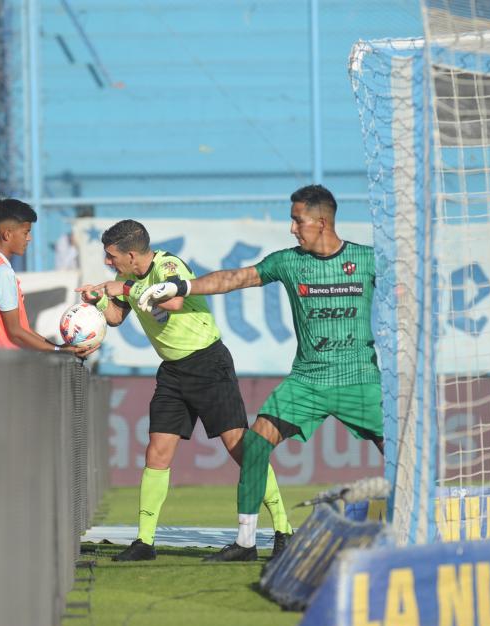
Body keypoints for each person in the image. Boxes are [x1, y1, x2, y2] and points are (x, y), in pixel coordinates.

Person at [139, 185, 385, 561]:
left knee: (401, 452)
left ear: (321, 222)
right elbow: (234, 278)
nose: (292, 228)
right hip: (307, 382)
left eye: (297, 221)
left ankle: (421, 526)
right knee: (254, 446)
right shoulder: (288, 262)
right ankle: (246, 542)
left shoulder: (368, 260)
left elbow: (408, 290)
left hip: (361, 381)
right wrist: (183, 286)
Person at [79, 220, 292, 562]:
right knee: (157, 452)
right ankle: (145, 541)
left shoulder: (168, 266)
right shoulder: (127, 277)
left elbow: (175, 301)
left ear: (131, 255)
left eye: (111, 255)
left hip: (208, 363)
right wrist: (100, 301)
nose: (108, 262)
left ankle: (283, 529)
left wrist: (126, 288)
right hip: (173, 371)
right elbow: (117, 317)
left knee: (241, 449)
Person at [0, 199, 94, 357]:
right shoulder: (2, 272)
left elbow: (22, 329)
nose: (29, 238)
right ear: (7, 234)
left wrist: (57, 347)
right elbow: (15, 332)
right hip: (4, 364)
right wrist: (58, 350)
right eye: (25, 232)